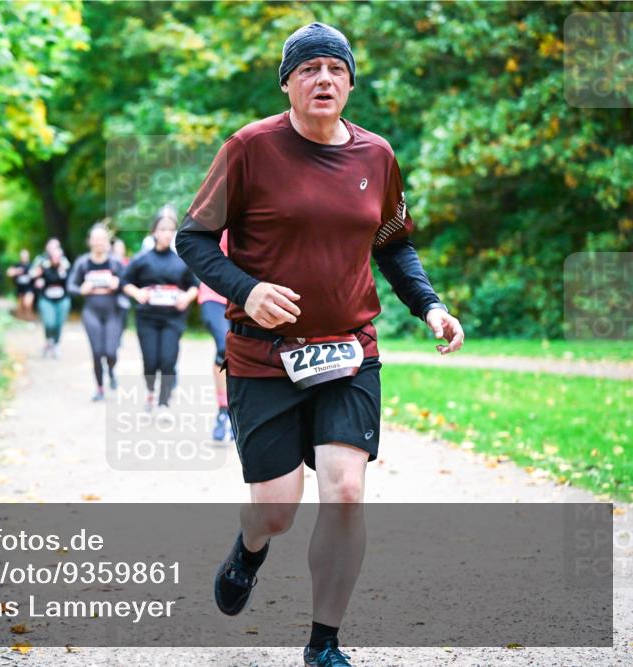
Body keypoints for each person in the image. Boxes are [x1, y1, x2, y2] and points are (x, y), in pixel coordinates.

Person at [175, 22, 464, 667]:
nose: (324, 79)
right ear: (287, 83)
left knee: (345, 492)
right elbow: (192, 239)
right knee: (276, 511)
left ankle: (323, 643)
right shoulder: (250, 149)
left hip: (349, 350)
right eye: (309, 70)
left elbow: (393, 242)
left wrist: (431, 306)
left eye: (336, 69)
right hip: (263, 356)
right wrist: (246, 291)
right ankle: (250, 549)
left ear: (352, 83)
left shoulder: (377, 157)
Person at [121, 206, 199, 422]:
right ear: (154, 231)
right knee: (150, 360)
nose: (167, 233)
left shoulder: (182, 260)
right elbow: (124, 282)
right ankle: (150, 391)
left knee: (167, 360)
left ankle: (163, 402)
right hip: (147, 317)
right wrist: (137, 293)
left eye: (171, 230)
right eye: (162, 229)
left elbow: (194, 286)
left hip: (173, 318)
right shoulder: (142, 259)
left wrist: (186, 297)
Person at [68, 224, 126, 401]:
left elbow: (129, 284)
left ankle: (112, 370)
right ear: (90, 241)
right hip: (91, 312)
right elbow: (70, 286)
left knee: (111, 352)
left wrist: (119, 284)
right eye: (96, 239)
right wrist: (81, 290)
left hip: (112, 312)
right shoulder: (83, 263)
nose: (99, 242)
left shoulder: (115, 263)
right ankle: (100, 388)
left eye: (102, 239)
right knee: (96, 351)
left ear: (107, 242)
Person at [197, 230, 233, 442]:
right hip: (214, 294)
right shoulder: (216, 212)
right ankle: (223, 409)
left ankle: (237, 412)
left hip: (248, 294)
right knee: (224, 346)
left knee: (242, 350)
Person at [30, 240, 71, 359]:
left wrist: (64, 272)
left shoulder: (65, 263)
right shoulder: (41, 261)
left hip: (62, 298)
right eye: (51, 248)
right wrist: (37, 280)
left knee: (59, 323)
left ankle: (56, 344)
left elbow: (71, 279)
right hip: (46, 297)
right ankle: (49, 341)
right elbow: (32, 275)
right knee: (49, 323)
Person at [111, 238, 132, 340]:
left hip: (124, 296)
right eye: (117, 247)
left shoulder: (128, 262)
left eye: (121, 247)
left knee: (122, 318)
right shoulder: (108, 261)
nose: (120, 249)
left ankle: (119, 336)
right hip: (111, 296)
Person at [7, 249, 36, 321]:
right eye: (23, 256)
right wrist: (17, 271)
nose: (24, 257)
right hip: (19, 288)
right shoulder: (16, 265)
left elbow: (37, 273)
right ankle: (21, 320)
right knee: (20, 306)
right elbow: (9, 273)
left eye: (25, 256)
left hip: (29, 288)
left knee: (28, 304)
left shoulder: (32, 265)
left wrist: (33, 274)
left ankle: (29, 319)